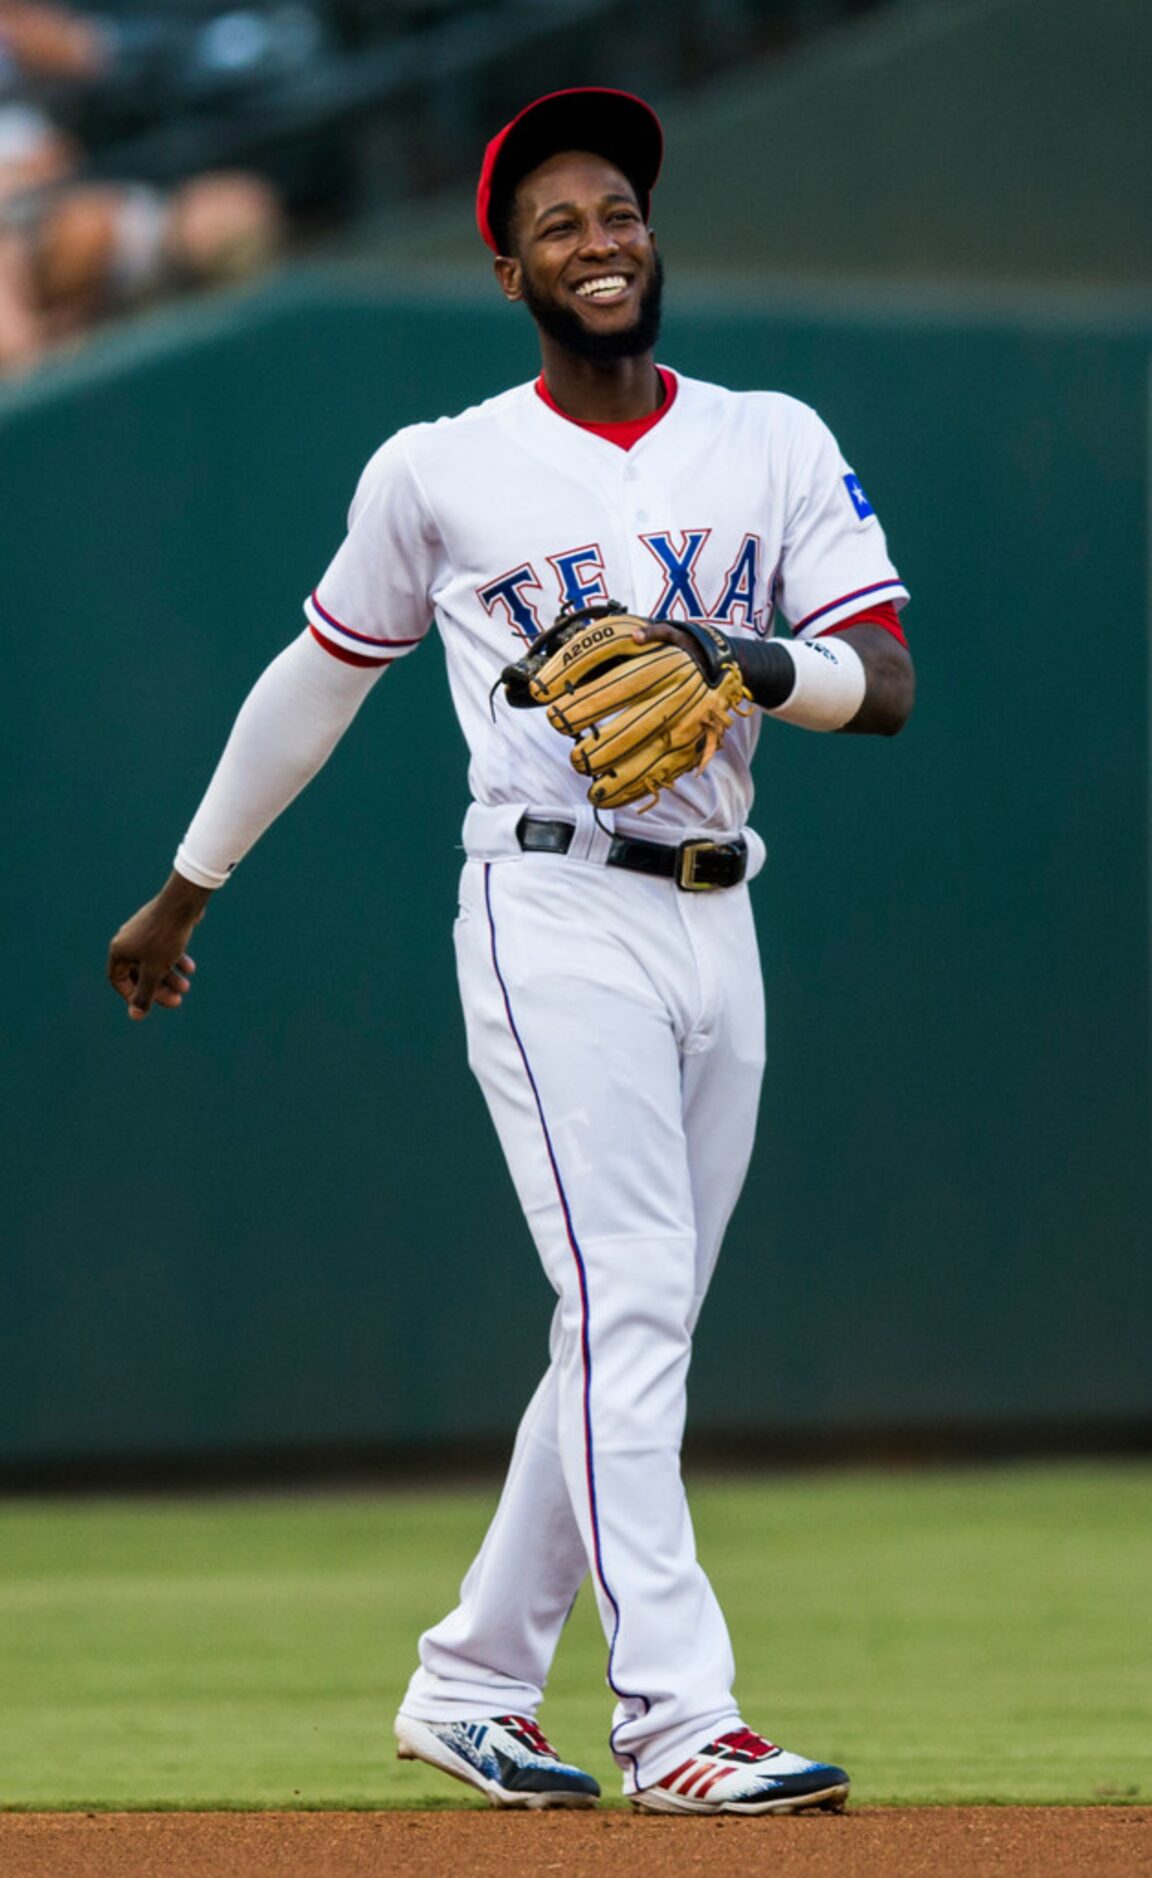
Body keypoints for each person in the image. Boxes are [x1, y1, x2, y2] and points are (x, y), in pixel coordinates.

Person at [107, 87, 914, 1816]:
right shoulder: (442, 466)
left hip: (721, 904)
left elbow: (885, 683)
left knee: (634, 1321)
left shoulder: (769, 435)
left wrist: (742, 659)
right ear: (505, 269)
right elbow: (316, 676)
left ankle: (471, 1679)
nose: (599, 240)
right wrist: (191, 881)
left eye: (616, 207)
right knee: (627, 1298)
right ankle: (679, 1719)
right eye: (557, 223)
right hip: (549, 902)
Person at [0, 0, 283, 375]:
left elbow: (86, 54)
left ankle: (252, 380)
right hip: (18, 239)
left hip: (73, 200)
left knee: (234, 216)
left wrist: (17, 29)